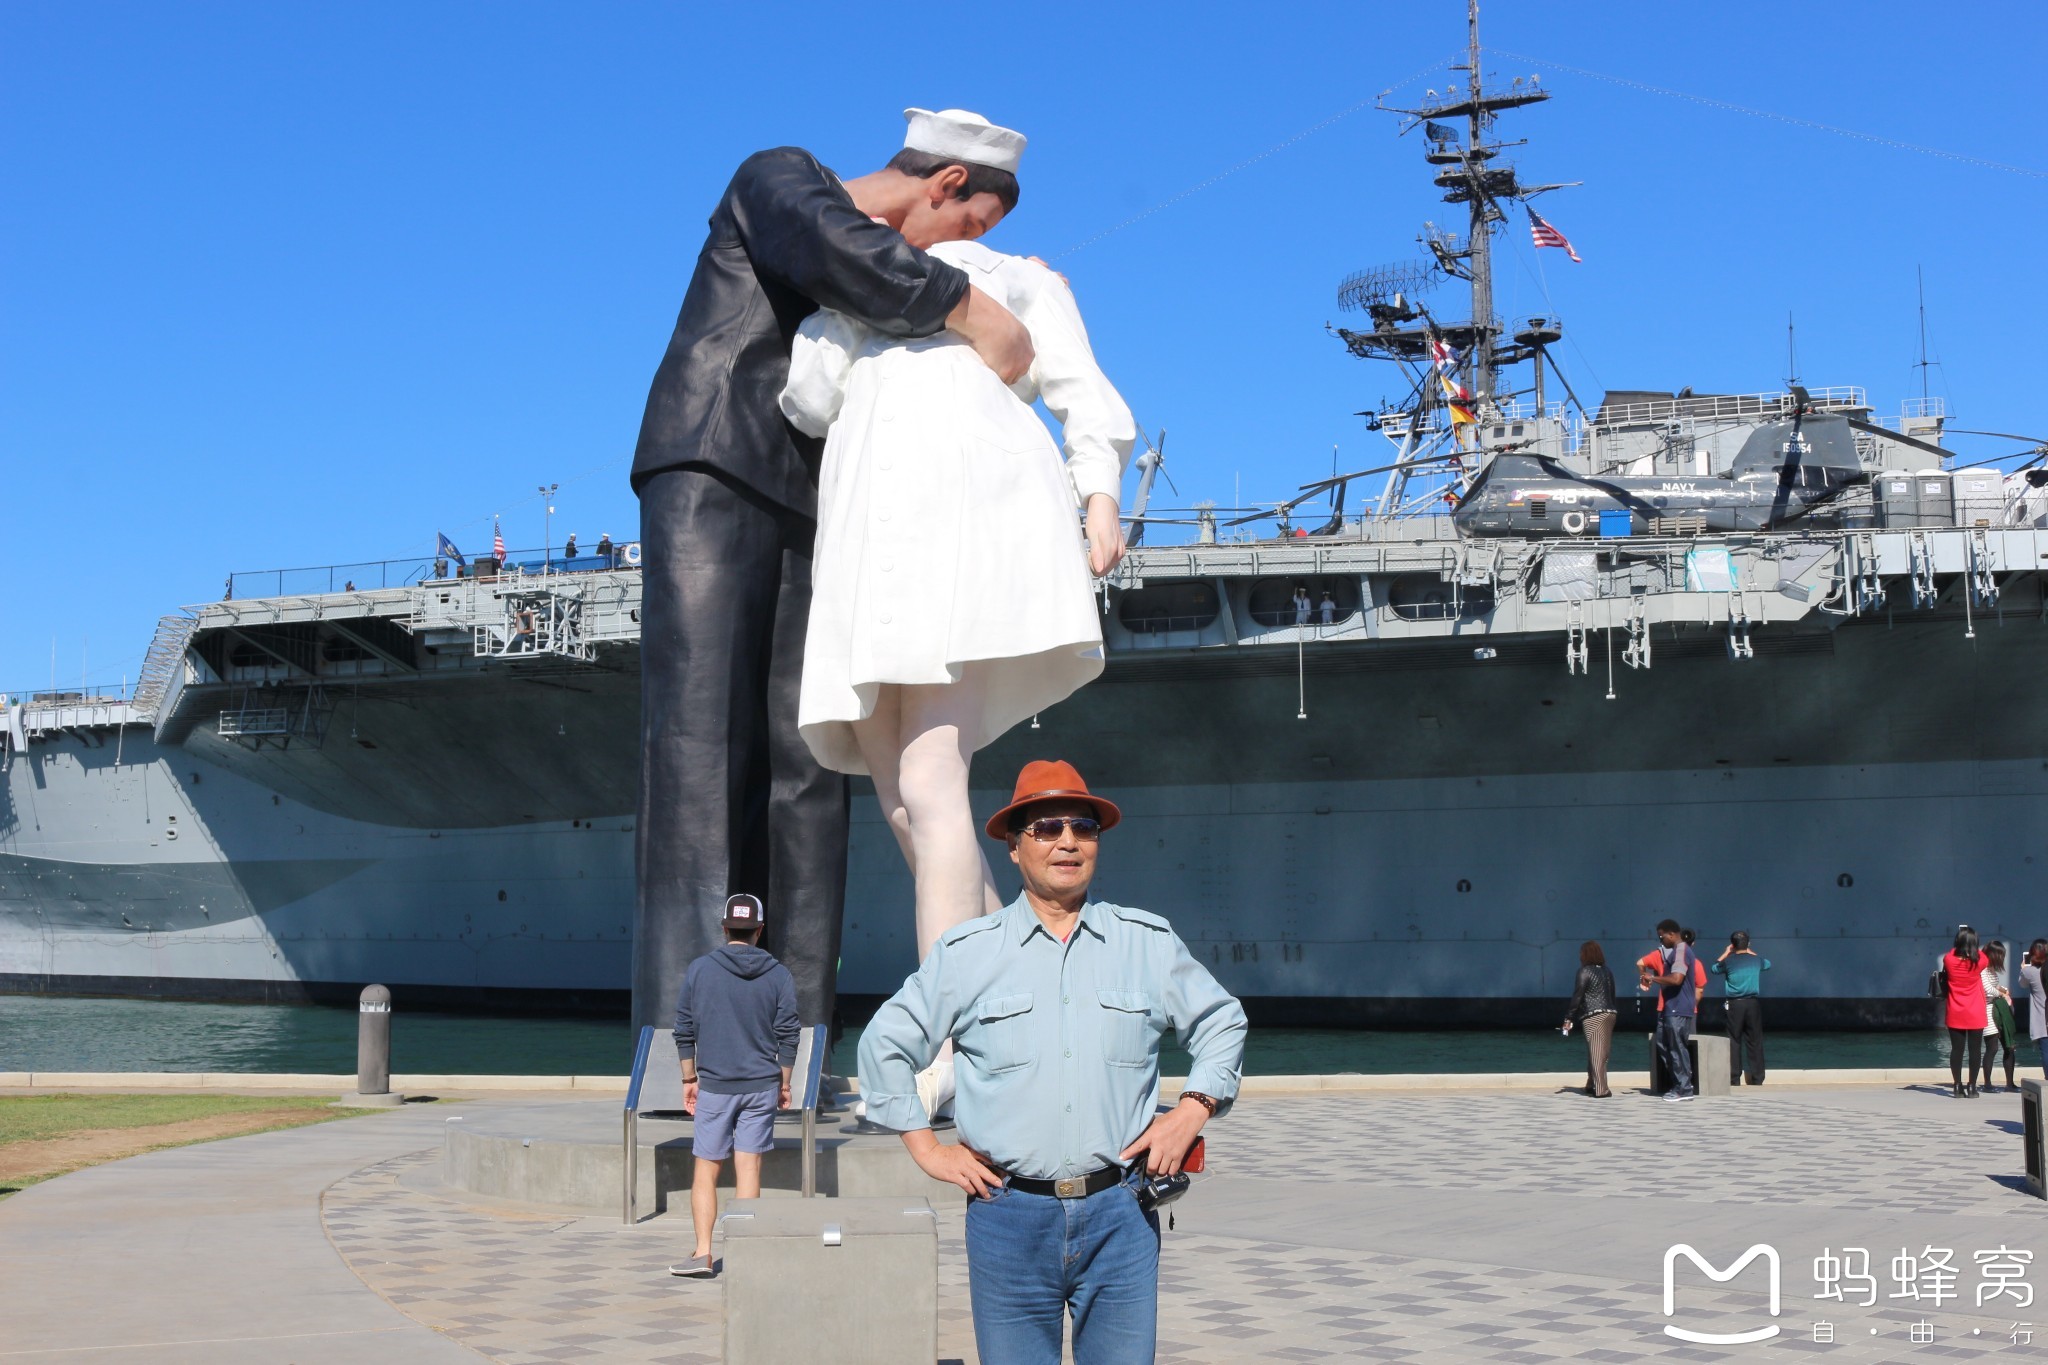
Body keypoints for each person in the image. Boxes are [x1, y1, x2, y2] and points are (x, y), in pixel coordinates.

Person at [627, 107, 1036, 1034]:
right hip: (712, 462)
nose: (964, 249)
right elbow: (838, 245)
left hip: (819, 500)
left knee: (809, 760)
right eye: (971, 227)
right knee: (699, 748)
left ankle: (792, 1040)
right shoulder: (778, 174)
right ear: (943, 184)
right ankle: (685, 1047)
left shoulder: (893, 286)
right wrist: (980, 309)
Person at [780, 168, 1134, 1111]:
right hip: (872, 552)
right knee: (902, 802)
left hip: (965, 530)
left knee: (932, 786)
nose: (971, 228)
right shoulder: (865, 293)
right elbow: (809, 398)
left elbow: (1079, 389)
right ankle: (1024, 1007)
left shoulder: (1017, 278)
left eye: (983, 217)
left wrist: (1099, 491)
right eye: (972, 210)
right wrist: (834, 293)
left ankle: (949, 1044)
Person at [858, 759, 1247, 1364]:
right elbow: (883, 1044)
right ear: (1014, 848)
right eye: (1046, 828)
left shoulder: (1146, 943)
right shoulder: (968, 954)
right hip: (1008, 1218)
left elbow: (1223, 1021)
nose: (1068, 841)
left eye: (1082, 827)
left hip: (1122, 1214)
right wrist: (927, 1149)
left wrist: (1192, 1109)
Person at [667, 893, 798, 1279]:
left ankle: (704, 1253)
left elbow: (684, 1029)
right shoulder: (779, 974)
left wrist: (689, 1079)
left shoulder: (700, 970)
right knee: (749, 1169)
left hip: (716, 1086)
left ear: (725, 928)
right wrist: (784, 1083)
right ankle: (743, 1254)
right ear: (760, 930)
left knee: (706, 1169)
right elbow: (789, 1035)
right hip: (761, 1085)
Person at [1642, 918, 1698, 1101]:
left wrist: (1654, 978)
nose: (1661, 941)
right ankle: (1678, 1083)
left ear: (1672, 934)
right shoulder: (1676, 952)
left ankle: (1684, 1087)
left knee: (1676, 1047)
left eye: (1661, 937)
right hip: (1670, 1007)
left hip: (1678, 1008)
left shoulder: (1681, 951)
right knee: (1663, 1043)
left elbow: (1676, 979)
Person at [1712, 931, 1771, 1086]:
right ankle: (1758, 1078)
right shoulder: (1756, 960)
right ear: (1748, 943)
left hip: (1734, 1004)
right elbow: (1767, 964)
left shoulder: (1729, 962)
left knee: (1734, 1040)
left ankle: (1734, 1078)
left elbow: (1714, 968)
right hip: (1752, 1004)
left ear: (1732, 945)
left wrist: (1726, 953)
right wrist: (1750, 952)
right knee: (1755, 1041)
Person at [1561, 940, 1616, 1097]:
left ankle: (1601, 1090)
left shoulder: (1584, 971)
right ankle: (1591, 1083)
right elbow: (1612, 993)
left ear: (1585, 955)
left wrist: (1569, 1017)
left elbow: (1578, 995)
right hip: (1610, 1013)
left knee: (1596, 1052)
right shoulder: (1607, 971)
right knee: (1602, 1051)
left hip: (1593, 1015)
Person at [1939, 927, 1988, 1098]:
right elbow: (1984, 956)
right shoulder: (1979, 962)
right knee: (1975, 1051)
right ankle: (1972, 1087)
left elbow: (1951, 954)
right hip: (1975, 1010)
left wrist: (1957, 946)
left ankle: (1957, 1086)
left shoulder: (1949, 960)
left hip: (1955, 1010)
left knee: (1956, 1050)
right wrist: (1973, 948)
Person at [1981, 940, 2018, 1093]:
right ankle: (1987, 1083)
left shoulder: (1991, 970)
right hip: (1988, 1011)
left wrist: (2003, 989)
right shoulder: (1983, 970)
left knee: (2009, 1046)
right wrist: (2002, 993)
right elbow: (1987, 990)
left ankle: (2010, 1082)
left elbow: (1994, 987)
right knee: (1992, 1048)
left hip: (1998, 1010)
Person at [2023, 940, 2048, 1076]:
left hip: (2041, 1019)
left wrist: (2023, 969)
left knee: (2045, 1050)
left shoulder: (2029, 972)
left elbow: (2022, 984)